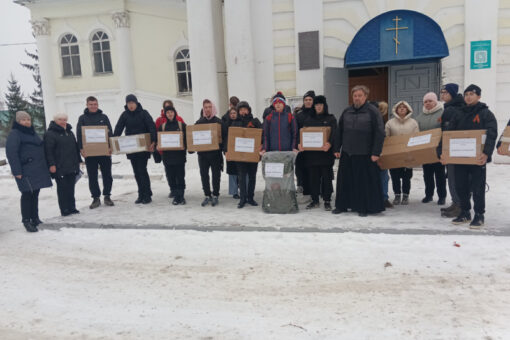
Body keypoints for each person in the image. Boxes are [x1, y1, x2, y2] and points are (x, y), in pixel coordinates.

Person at [439, 84, 498, 228]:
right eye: (466, 94)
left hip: (477, 159)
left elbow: (491, 134)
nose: (468, 97)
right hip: (459, 159)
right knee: (461, 187)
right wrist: (442, 152)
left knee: (478, 187)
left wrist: (486, 153)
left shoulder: (485, 113)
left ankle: (479, 214)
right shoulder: (458, 113)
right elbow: (447, 134)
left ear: (478, 96)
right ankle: (465, 212)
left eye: (472, 94)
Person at [332, 85, 385, 217]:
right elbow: (339, 131)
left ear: (365, 96)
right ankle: (342, 205)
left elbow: (380, 133)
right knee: (344, 181)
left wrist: (376, 153)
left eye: (360, 95)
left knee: (363, 183)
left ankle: (363, 207)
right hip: (347, 152)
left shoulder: (373, 111)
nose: (357, 98)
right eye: (355, 95)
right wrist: (336, 148)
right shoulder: (346, 111)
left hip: (365, 153)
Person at [6, 111, 52, 232]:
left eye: (28, 119)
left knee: (35, 193)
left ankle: (35, 217)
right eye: (23, 120)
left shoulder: (32, 132)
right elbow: (12, 153)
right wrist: (17, 171)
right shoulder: (15, 134)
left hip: (36, 169)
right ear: (18, 121)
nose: (26, 122)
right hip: (25, 170)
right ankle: (26, 221)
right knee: (27, 194)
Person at [113, 94, 156, 204]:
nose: (131, 105)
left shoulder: (144, 113)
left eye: (132, 103)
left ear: (136, 103)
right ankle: (141, 193)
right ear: (126, 104)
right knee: (136, 172)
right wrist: (113, 142)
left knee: (142, 170)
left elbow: (152, 126)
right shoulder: (124, 115)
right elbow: (118, 128)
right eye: (129, 103)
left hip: (143, 148)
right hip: (131, 148)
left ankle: (147, 195)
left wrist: (153, 141)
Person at [297, 95, 336, 210]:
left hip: (325, 155)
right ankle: (315, 200)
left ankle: (327, 200)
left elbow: (335, 134)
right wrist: (300, 144)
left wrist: (330, 143)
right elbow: (302, 133)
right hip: (312, 155)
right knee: (313, 179)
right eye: (316, 105)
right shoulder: (309, 119)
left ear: (324, 106)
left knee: (326, 178)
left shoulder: (330, 118)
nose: (318, 107)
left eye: (320, 105)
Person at [76, 96, 114, 209]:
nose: (93, 106)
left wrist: (110, 146)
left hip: (104, 152)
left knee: (107, 175)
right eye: (91, 104)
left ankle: (107, 196)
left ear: (98, 105)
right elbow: (79, 134)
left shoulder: (104, 117)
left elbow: (109, 132)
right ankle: (95, 198)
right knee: (92, 176)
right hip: (90, 153)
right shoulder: (82, 118)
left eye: (95, 104)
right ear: (87, 105)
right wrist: (81, 149)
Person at [44, 113, 82, 216]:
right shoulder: (50, 134)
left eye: (65, 119)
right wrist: (51, 165)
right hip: (59, 166)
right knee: (62, 189)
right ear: (55, 120)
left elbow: (75, 148)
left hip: (71, 165)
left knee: (71, 187)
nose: (63, 121)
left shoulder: (69, 132)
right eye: (60, 119)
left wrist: (79, 160)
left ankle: (72, 207)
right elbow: (48, 151)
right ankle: (64, 209)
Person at [228, 101, 263, 208]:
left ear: (248, 110)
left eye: (245, 109)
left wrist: (261, 146)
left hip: (252, 155)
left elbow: (261, 135)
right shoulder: (235, 123)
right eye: (241, 109)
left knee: (252, 177)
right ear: (238, 111)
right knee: (242, 177)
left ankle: (250, 198)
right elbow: (232, 140)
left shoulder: (255, 121)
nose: (243, 111)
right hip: (240, 156)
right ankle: (242, 199)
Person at [385, 101, 419, 205]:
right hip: (394, 154)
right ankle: (397, 195)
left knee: (406, 176)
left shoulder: (413, 123)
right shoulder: (390, 123)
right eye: (400, 107)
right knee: (395, 175)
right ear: (396, 109)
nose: (402, 109)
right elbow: (387, 137)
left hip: (408, 153)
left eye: (404, 107)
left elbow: (417, 137)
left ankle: (405, 195)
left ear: (408, 109)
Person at [416, 92, 447, 205]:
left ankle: (442, 196)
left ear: (435, 102)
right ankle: (429, 195)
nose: (428, 103)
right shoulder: (420, 116)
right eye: (425, 101)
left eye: (430, 101)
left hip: (438, 149)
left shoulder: (443, 113)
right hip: (426, 151)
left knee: (440, 175)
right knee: (427, 175)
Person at [196, 99, 227, 207]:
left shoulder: (219, 122)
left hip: (215, 155)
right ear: (203, 109)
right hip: (203, 155)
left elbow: (224, 137)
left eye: (209, 107)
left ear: (212, 108)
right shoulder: (199, 123)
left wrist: (225, 150)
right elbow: (194, 138)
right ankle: (207, 194)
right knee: (204, 175)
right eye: (205, 107)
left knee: (216, 175)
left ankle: (215, 194)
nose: (207, 109)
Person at [439, 83, 464, 217]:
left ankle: (459, 205)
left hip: (455, 148)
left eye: (445, 92)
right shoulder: (449, 107)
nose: (442, 95)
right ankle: (455, 202)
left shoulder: (455, 108)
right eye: (441, 92)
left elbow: (449, 131)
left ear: (452, 93)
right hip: (451, 147)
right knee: (451, 177)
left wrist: (444, 148)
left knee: (455, 178)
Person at [157, 106, 187, 205]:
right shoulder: (162, 127)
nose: (170, 114)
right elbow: (159, 140)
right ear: (165, 114)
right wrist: (158, 146)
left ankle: (181, 196)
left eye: (171, 112)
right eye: (168, 112)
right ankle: (175, 195)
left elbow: (187, 139)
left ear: (175, 113)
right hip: (167, 157)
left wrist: (185, 146)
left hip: (179, 157)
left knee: (180, 176)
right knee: (171, 176)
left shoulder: (181, 125)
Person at [294, 90, 315, 196]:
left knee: (313, 168)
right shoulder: (299, 115)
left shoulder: (317, 113)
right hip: (301, 147)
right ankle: (301, 185)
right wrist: (297, 143)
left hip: (315, 148)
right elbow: (295, 131)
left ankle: (314, 188)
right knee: (300, 167)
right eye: (306, 100)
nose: (308, 102)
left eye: (310, 99)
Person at [377, 101, 392, 208]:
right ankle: (383, 197)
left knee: (383, 175)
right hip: (377, 151)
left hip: (382, 150)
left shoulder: (383, 121)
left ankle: (384, 197)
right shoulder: (380, 120)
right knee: (383, 176)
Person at [225, 108, 240, 199]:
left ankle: (241, 189)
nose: (233, 115)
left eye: (235, 113)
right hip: (230, 151)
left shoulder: (241, 123)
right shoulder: (226, 124)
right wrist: (225, 150)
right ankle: (234, 191)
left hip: (239, 150)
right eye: (231, 113)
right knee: (232, 172)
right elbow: (224, 139)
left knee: (240, 171)